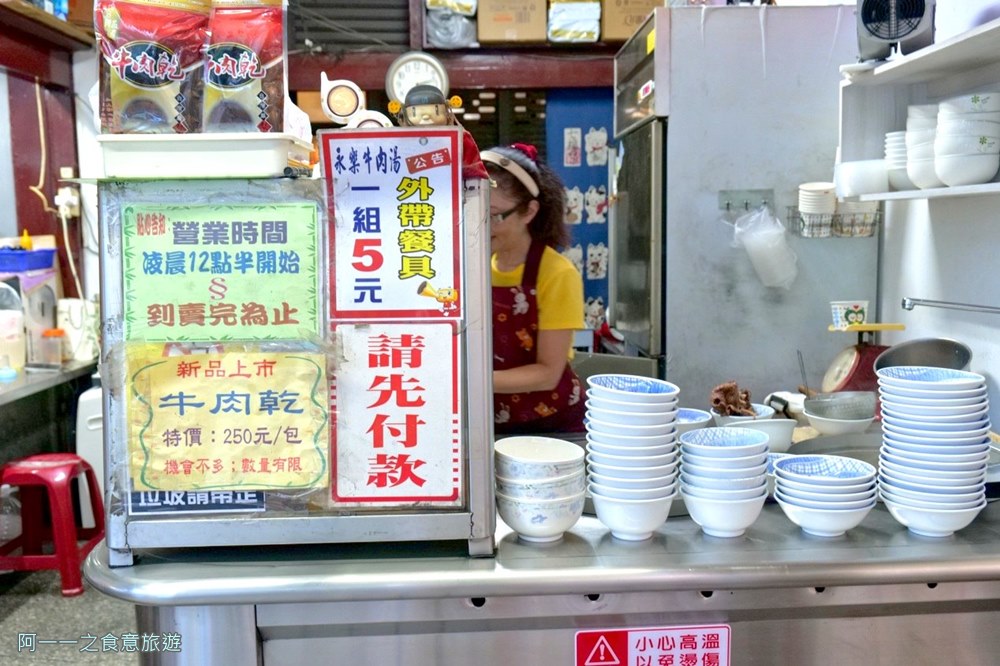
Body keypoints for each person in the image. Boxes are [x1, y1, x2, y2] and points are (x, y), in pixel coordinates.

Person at [481, 143, 586, 435]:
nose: (480, 225)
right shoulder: (476, 268)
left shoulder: (556, 273)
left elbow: (547, 374)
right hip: (490, 418)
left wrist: (469, 379)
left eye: (493, 215)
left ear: (529, 211)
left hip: (554, 425)